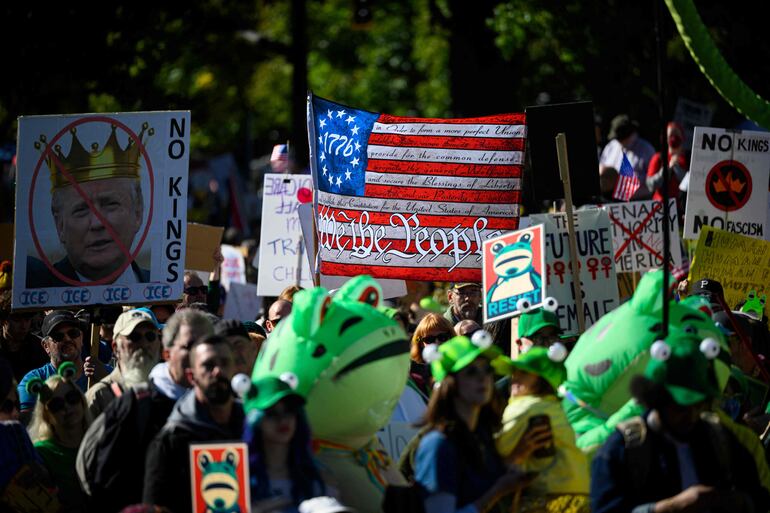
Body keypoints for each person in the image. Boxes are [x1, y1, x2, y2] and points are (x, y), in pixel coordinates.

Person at [590, 334, 770, 513]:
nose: (691, 415)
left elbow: (759, 499)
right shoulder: (622, 449)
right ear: (656, 398)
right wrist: (667, 508)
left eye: (698, 405)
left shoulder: (721, 439)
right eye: (681, 407)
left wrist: (736, 501)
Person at [414, 334, 534, 513]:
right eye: (471, 371)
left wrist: (516, 459)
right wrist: (497, 492)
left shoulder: (483, 436)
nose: (483, 377)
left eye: (487, 369)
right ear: (449, 383)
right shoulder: (438, 445)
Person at [26, 124, 152, 287]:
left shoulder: (164, 295)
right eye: (81, 209)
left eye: (110, 204)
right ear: (60, 225)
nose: (97, 223)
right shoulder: (37, 288)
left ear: (138, 211)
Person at [143, 334, 244, 513]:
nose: (218, 371)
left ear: (235, 369)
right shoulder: (170, 441)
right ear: (191, 376)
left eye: (224, 363)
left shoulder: (254, 427)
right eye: (208, 365)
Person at [496, 345, 590, 512]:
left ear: (543, 379)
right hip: (581, 495)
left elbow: (498, 452)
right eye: (514, 371)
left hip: (547, 497)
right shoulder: (556, 407)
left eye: (524, 372)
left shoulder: (524, 408)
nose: (515, 378)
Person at [243, 376, 329, 511]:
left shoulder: (318, 475)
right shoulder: (239, 479)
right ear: (254, 422)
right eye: (271, 413)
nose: (283, 419)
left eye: (289, 411)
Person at [18, 310, 109, 423]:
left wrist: (108, 382)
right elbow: (26, 426)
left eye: (73, 333)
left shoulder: (105, 372)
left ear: (81, 338)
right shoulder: (34, 381)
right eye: (58, 336)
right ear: (46, 346)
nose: (67, 339)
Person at [27, 363, 92, 512]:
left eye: (72, 398)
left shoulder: (101, 441)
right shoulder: (40, 454)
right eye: (56, 405)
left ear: (82, 401)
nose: (67, 407)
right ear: (46, 415)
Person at [86, 308, 161, 417]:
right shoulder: (98, 397)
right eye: (135, 337)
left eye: (150, 336)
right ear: (116, 348)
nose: (144, 344)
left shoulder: (166, 389)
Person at [148, 308, 214, 401]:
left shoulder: (223, 400)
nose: (201, 353)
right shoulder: (144, 402)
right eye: (191, 346)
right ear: (167, 354)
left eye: (206, 345)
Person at [599, 114, 656, 200]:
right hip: (611, 200)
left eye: (620, 138)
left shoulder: (646, 149)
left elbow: (654, 181)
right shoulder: (611, 147)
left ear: (629, 134)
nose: (618, 140)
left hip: (639, 202)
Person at [0, 294, 47, 381]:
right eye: (17, 320)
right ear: (3, 321)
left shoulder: (39, 347)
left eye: (27, 319)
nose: (23, 326)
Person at [409, 313, 455, 398]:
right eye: (429, 339)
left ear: (451, 338)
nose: (437, 343)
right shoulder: (413, 372)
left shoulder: (462, 367)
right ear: (421, 343)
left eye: (442, 337)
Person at [646, 121, 688, 204]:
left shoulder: (688, 159)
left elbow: (688, 185)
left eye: (676, 134)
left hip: (680, 206)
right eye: (671, 135)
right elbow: (651, 185)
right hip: (660, 204)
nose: (673, 138)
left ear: (682, 137)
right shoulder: (658, 158)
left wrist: (676, 167)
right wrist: (668, 169)